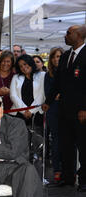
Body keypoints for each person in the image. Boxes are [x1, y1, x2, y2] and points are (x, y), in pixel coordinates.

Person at [43, 25, 86, 192]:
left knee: (83, 146)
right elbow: (58, 83)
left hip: (81, 111)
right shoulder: (66, 55)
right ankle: (68, 177)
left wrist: (84, 108)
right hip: (64, 109)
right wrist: (48, 100)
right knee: (65, 145)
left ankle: (84, 180)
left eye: (68, 33)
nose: (65, 36)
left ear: (78, 35)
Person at [10, 54, 45, 133]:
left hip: (36, 113)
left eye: (25, 64)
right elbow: (13, 95)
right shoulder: (16, 77)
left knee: (36, 140)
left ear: (30, 63)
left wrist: (31, 111)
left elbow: (41, 95)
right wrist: (24, 110)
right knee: (18, 138)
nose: (23, 67)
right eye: (21, 66)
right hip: (18, 113)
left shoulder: (42, 75)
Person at [44, 47, 64, 184]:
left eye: (59, 56)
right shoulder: (48, 75)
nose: (57, 59)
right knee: (56, 140)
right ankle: (57, 170)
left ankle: (69, 170)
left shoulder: (67, 72)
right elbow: (49, 93)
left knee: (69, 142)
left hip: (66, 110)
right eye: (54, 56)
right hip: (53, 111)